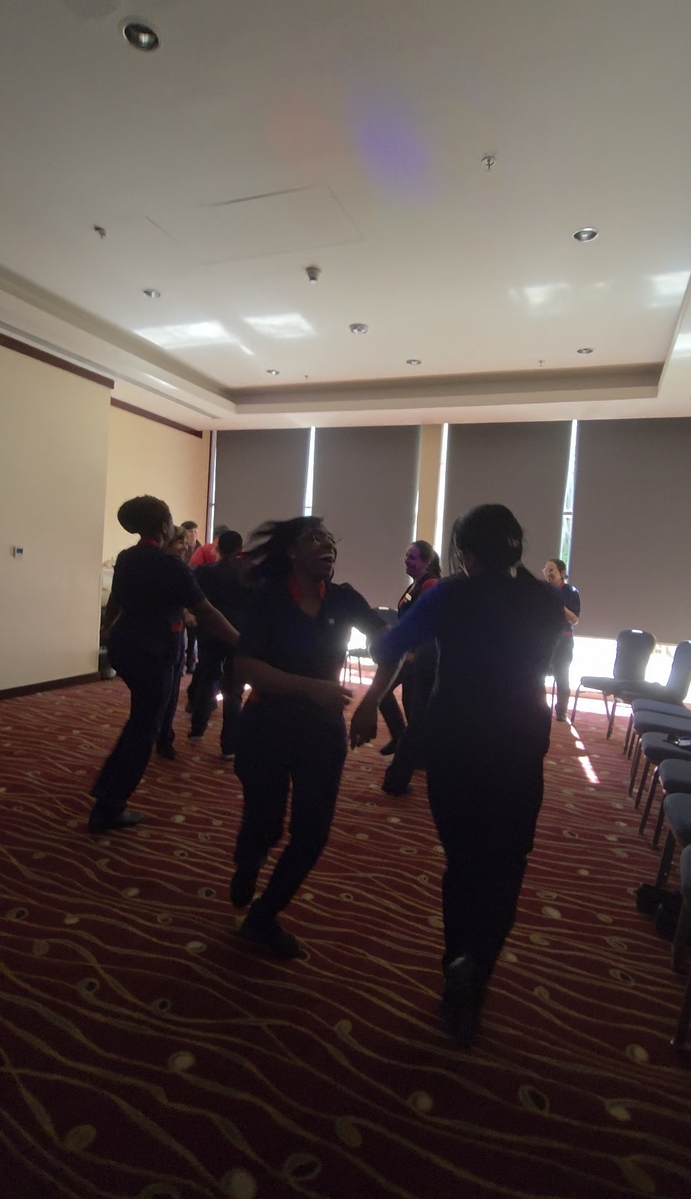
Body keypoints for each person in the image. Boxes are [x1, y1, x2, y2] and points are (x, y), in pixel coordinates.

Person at [350, 504, 564, 1046]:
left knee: (464, 863)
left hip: (456, 743)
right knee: (508, 863)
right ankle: (479, 965)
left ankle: (458, 970)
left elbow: (387, 647)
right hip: (519, 743)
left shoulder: (448, 595)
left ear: (465, 554)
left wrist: (374, 689)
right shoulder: (546, 599)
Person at [230, 516, 387, 959]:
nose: (327, 544)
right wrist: (312, 688)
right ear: (291, 552)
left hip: (321, 731)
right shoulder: (269, 598)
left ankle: (263, 916)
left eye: (330, 539)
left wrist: (373, 702)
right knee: (265, 823)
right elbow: (246, 667)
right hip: (266, 725)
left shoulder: (343, 598)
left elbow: (391, 645)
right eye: (314, 538)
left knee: (312, 833)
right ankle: (249, 860)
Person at [91, 496, 239, 835]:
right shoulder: (170, 565)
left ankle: (105, 788)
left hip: (124, 646)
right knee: (146, 729)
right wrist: (240, 641)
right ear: (163, 526)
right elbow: (206, 611)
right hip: (153, 652)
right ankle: (110, 807)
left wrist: (106, 626)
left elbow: (115, 600)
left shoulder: (127, 557)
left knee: (140, 719)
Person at [379, 540, 442, 796]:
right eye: (406, 555)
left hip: (420, 657)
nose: (406, 560)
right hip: (407, 655)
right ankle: (402, 741)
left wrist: (413, 651)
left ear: (427, 561)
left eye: (412, 557)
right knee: (393, 699)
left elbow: (429, 622)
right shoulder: (414, 585)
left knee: (415, 711)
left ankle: (410, 755)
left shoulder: (430, 584)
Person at [189, 529, 251, 759]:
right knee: (234, 690)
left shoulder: (206, 571)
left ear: (218, 548)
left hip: (212, 633)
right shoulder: (251, 573)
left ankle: (197, 730)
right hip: (240, 635)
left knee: (208, 680)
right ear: (240, 549)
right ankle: (229, 746)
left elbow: (196, 600)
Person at [154, 527, 190, 760]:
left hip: (173, 633)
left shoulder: (163, 565)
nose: (185, 547)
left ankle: (163, 735)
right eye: (180, 543)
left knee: (169, 692)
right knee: (164, 693)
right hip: (165, 637)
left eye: (186, 543)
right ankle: (161, 736)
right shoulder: (172, 568)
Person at [542, 558, 580, 721]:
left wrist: (558, 604)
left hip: (563, 641)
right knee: (537, 674)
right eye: (545, 570)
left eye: (551, 570)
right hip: (544, 641)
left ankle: (561, 712)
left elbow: (574, 619)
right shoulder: (542, 591)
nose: (548, 573)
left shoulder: (571, 592)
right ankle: (538, 707)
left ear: (562, 573)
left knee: (562, 676)